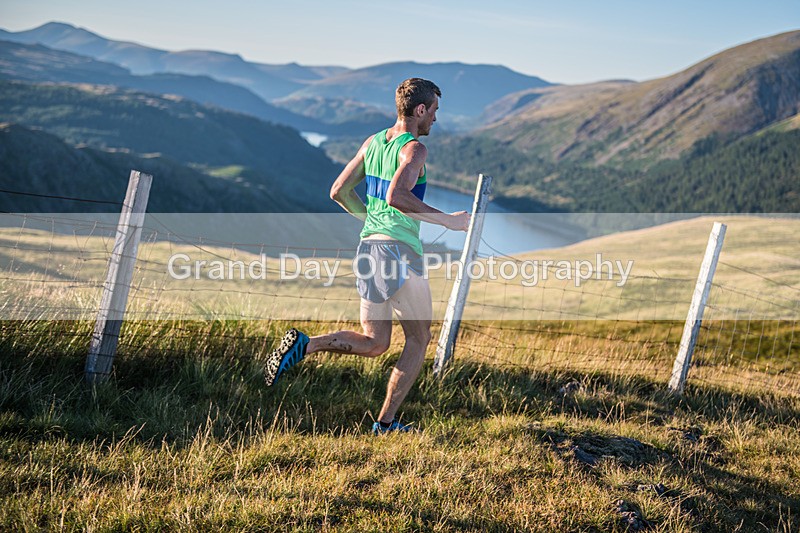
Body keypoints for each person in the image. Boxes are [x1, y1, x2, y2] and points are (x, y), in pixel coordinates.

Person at [264, 78, 470, 434]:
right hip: (399, 251)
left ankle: (306, 345)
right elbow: (397, 197)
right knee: (419, 340)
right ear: (420, 110)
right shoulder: (414, 149)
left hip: (369, 248)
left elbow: (338, 191)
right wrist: (449, 222)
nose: (435, 119)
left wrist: (373, 222)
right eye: (434, 111)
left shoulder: (374, 142)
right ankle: (385, 424)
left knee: (376, 343)